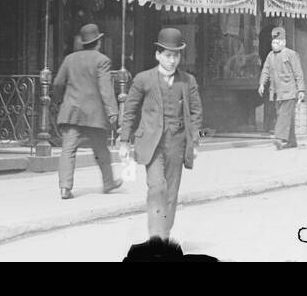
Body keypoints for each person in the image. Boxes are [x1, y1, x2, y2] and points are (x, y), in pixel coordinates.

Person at [121, 28, 203, 241]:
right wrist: (124, 141)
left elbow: (196, 112)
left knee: (171, 193)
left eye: (176, 55)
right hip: (152, 144)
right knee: (157, 187)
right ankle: (156, 236)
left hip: (177, 143)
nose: (172, 60)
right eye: (167, 55)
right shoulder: (143, 80)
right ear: (157, 55)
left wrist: (194, 142)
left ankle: (164, 233)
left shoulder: (188, 81)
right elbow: (130, 110)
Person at [51, 22, 122, 200]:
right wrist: (112, 111)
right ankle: (108, 182)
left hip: (71, 111)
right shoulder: (102, 60)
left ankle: (65, 188)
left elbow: (58, 83)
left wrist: (61, 101)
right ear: (98, 42)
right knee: (101, 149)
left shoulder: (69, 59)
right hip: (94, 114)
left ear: (83, 42)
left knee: (68, 150)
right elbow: (105, 88)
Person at [258, 27, 305, 149]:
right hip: (277, 93)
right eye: (273, 42)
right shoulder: (270, 56)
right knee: (286, 115)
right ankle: (291, 141)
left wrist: (301, 90)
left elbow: (298, 73)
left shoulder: (291, 54)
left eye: (277, 43)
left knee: (283, 115)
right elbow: (265, 71)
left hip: (289, 92)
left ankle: (279, 137)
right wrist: (262, 84)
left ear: (284, 42)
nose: (274, 45)